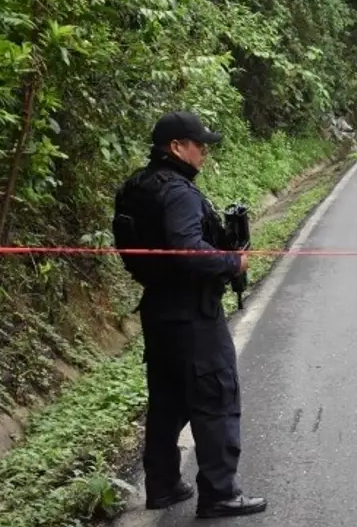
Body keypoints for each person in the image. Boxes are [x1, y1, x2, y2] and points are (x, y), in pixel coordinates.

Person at [112, 111, 266, 519]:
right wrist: (233, 263)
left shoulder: (136, 186)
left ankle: (162, 486)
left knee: (168, 400)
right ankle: (219, 494)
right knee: (216, 397)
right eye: (200, 146)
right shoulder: (177, 192)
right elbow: (187, 248)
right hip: (193, 313)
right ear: (177, 147)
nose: (204, 155)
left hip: (158, 311)